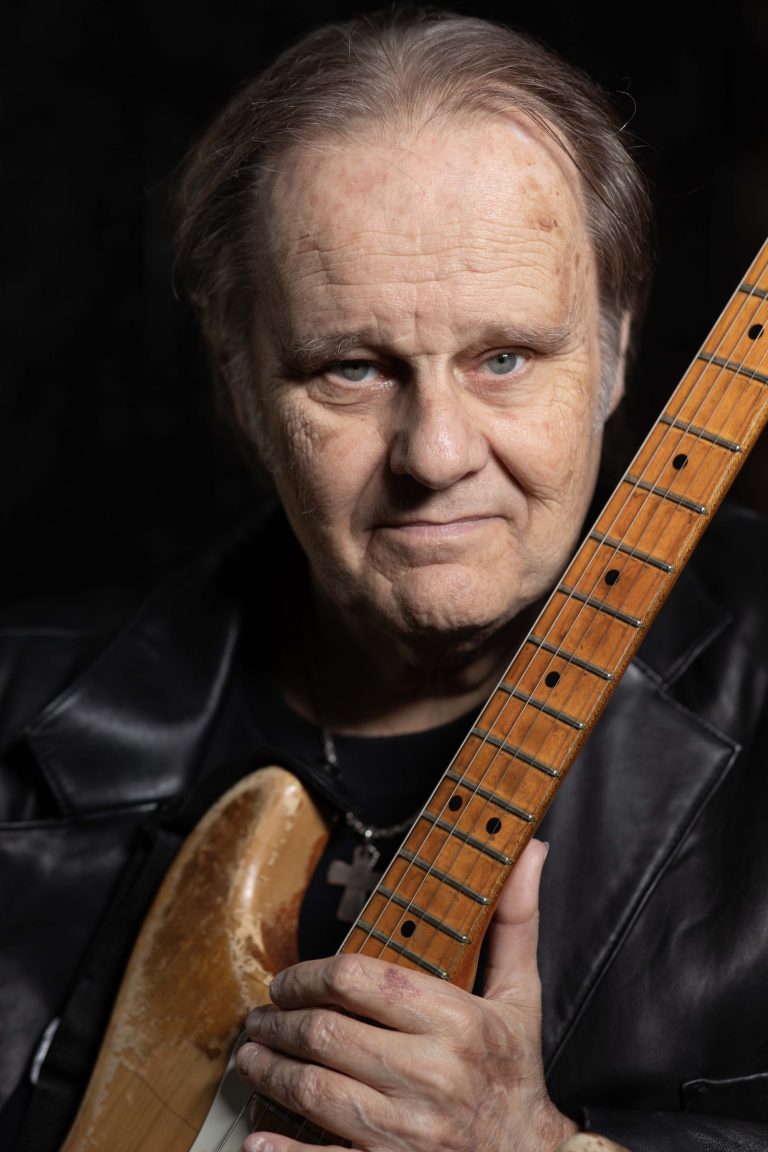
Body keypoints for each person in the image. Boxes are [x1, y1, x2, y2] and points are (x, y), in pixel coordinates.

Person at [2, 7, 768, 1152]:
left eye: (504, 357)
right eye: (352, 369)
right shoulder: (14, 713)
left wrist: (543, 1149)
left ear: (614, 354)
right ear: (241, 387)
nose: (436, 454)